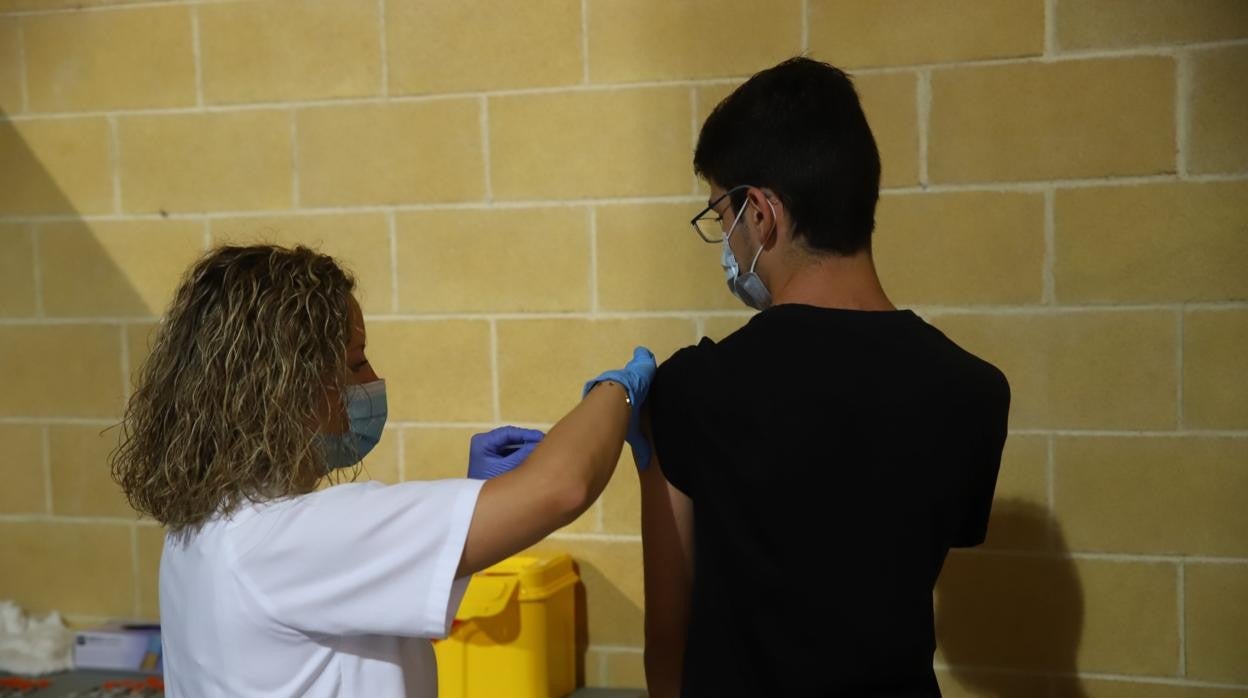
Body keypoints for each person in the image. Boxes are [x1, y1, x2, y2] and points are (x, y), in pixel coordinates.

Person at [110, 244, 655, 697]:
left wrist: (472, 499)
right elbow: (561, 487)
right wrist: (617, 392)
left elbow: (357, 613)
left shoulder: (201, 530)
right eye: (353, 362)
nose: (370, 379)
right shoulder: (287, 539)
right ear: (286, 389)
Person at [638, 58, 1011, 697]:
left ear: (761, 213)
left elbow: (668, 654)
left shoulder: (692, 391)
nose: (725, 242)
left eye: (720, 218)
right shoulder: (976, 392)